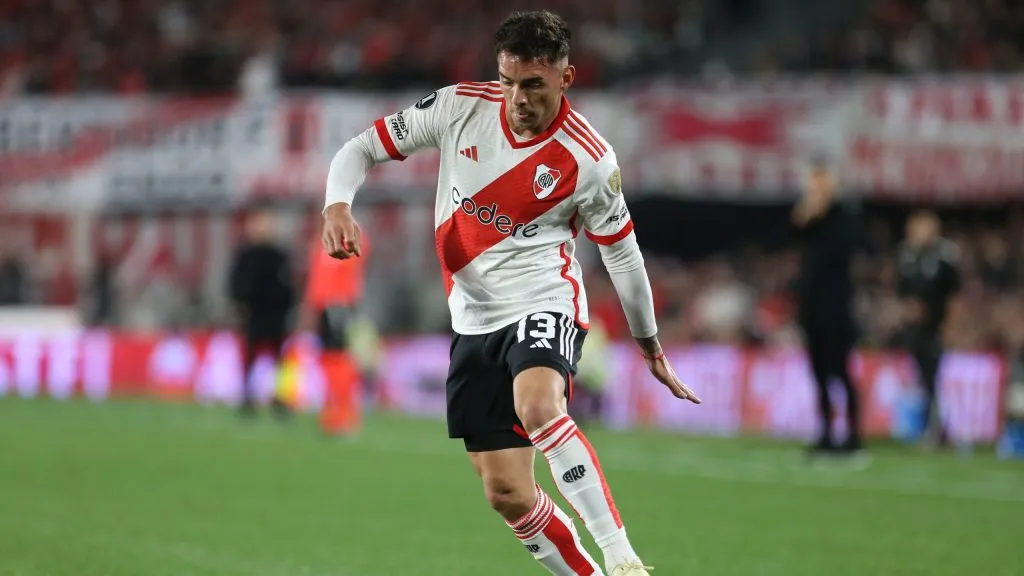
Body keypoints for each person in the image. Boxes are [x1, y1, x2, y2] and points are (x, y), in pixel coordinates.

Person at [321, 10, 700, 576]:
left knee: (539, 405)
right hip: (472, 318)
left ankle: (623, 559)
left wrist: (648, 342)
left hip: (543, 301)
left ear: (565, 78)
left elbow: (622, 254)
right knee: (505, 491)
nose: (517, 98)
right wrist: (337, 204)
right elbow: (360, 148)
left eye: (533, 85)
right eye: (508, 81)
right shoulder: (458, 107)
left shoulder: (589, 159)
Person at [791, 158, 863, 457]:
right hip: (812, 309)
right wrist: (807, 215)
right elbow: (792, 235)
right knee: (819, 373)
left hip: (837, 309)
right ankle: (826, 432)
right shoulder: (809, 219)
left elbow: (844, 250)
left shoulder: (844, 216)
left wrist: (821, 215)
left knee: (840, 371)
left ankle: (853, 434)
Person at [893, 210, 960, 448]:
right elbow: (901, 291)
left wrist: (949, 326)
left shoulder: (944, 257)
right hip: (914, 329)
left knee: (933, 376)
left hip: (936, 327)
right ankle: (924, 426)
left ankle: (936, 428)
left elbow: (954, 296)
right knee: (921, 377)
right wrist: (907, 309)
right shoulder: (907, 256)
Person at [301, 223, 371, 436]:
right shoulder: (322, 239)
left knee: (340, 359)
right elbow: (316, 277)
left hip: (338, 304)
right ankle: (332, 412)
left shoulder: (352, 234)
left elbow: (355, 262)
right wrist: (310, 305)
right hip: (324, 307)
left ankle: (346, 415)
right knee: (328, 360)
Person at [228, 207, 296, 417]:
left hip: (276, 316)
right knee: (249, 358)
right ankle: (247, 398)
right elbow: (235, 284)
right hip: (253, 316)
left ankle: (280, 398)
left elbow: (290, 287)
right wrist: (240, 305)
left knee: (281, 360)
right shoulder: (244, 256)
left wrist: (287, 309)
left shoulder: (280, 256)